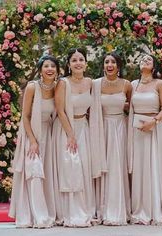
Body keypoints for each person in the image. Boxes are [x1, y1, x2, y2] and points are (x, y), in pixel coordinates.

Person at [9, 55, 60, 228]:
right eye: (46, 66)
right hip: (31, 133)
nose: (50, 69)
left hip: (48, 133)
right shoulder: (32, 87)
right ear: (40, 69)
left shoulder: (57, 87)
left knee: (45, 174)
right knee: (34, 173)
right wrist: (32, 141)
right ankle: (36, 216)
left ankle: (45, 211)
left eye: (53, 66)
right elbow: (25, 116)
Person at [128, 54, 162, 225]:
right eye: (142, 59)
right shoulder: (133, 85)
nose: (145, 60)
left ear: (154, 65)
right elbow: (130, 106)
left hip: (154, 128)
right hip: (137, 130)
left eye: (149, 59)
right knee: (140, 168)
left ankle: (157, 209)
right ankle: (141, 209)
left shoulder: (160, 84)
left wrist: (154, 121)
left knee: (155, 167)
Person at [52, 48, 94, 227]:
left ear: (86, 63)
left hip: (84, 128)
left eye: (81, 59)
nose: (78, 63)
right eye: (74, 60)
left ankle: (85, 208)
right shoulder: (63, 83)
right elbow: (60, 110)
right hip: (65, 130)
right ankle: (68, 211)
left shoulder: (91, 82)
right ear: (68, 64)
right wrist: (70, 135)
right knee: (70, 167)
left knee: (83, 167)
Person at [90, 52, 132, 225]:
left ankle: (119, 208)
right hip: (101, 127)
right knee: (103, 167)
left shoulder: (127, 85)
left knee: (117, 167)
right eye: (106, 61)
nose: (110, 65)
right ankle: (102, 208)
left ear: (118, 65)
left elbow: (132, 106)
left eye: (113, 62)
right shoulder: (96, 84)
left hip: (120, 128)